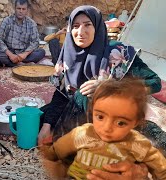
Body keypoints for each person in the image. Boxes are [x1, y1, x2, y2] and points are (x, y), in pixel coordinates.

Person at [38, 5, 163, 179]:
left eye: (87, 25)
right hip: (79, 120)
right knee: (41, 116)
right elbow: (61, 95)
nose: (80, 31)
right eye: (75, 26)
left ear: (97, 27)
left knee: (150, 143)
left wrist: (109, 86)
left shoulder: (117, 53)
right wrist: (46, 127)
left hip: (111, 122)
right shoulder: (67, 55)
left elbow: (155, 83)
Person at [41, 78, 166, 179]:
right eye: (100, 117)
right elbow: (60, 148)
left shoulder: (138, 144)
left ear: (135, 122)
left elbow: (159, 166)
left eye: (121, 123)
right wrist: (49, 152)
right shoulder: (83, 133)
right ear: (92, 112)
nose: (107, 128)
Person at [0, 0, 46, 75]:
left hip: (24, 55)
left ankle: (16, 63)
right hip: (8, 54)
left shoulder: (31, 24)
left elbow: (35, 42)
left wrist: (24, 54)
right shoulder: (7, 21)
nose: (21, 11)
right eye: (18, 8)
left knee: (41, 52)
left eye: (23, 9)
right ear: (15, 8)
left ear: (27, 10)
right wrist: (10, 55)